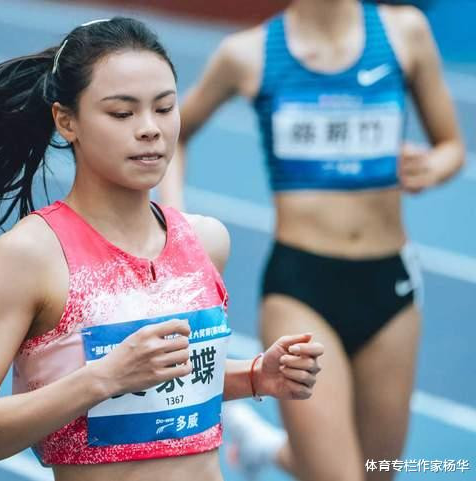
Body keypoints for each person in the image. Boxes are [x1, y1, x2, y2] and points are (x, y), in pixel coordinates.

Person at [0, 17, 324, 481]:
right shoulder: (31, 257)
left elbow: (166, 384)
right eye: (122, 113)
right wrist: (103, 378)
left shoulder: (205, 241)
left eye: (164, 108)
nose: (150, 129)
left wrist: (254, 376)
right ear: (66, 121)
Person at [159, 1, 464, 480]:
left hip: (391, 287)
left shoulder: (405, 32)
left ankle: (265, 449)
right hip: (302, 289)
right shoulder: (249, 53)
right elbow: (176, 133)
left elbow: (452, 146)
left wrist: (434, 165)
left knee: (377, 470)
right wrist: (178, 225)